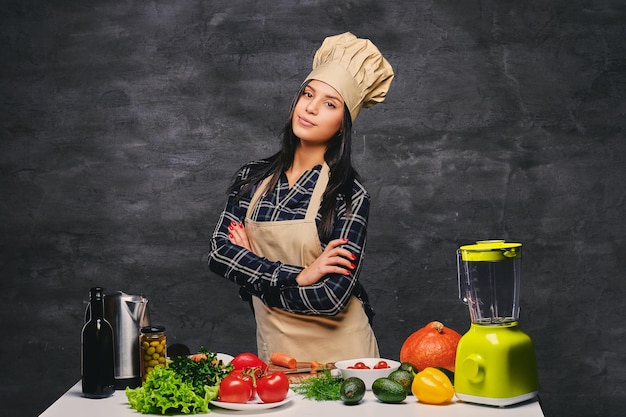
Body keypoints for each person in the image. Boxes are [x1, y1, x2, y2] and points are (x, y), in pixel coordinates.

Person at [207, 32, 394, 363]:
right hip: (278, 356)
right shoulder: (251, 179)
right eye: (308, 93)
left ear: (342, 125)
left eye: (330, 104)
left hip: (346, 358)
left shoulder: (349, 195)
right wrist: (296, 275)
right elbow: (220, 254)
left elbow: (331, 297)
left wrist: (253, 273)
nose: (310, 107)